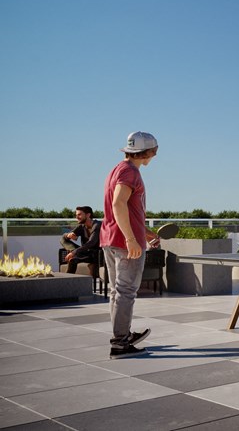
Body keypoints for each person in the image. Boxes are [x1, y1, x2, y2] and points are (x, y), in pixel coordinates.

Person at [100, 131, 161, 359]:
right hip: (124, 242)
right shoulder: (130, 172)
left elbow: (127, 209)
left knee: (117, 291)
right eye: (155, 150)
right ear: (145, 152)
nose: (155, 155)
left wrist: (144, 232)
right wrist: (132, 239)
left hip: (110, 238)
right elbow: (118, 204)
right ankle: (120, 344)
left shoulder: (117, 169)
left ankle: (122, 335)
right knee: (125, 292)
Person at [60, 205, 101, 275]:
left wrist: (74, 252)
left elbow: (91, 242)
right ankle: (68, 282)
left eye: (79, 215)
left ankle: (67, 281)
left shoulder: (97, 225)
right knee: (63, 240)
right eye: (76, 215)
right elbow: (63, 239)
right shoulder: (82, 226)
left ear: (88, 215)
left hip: (96, 254)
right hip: (84, 252)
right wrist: (68, 235)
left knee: (72, 259)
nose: (77, 217)